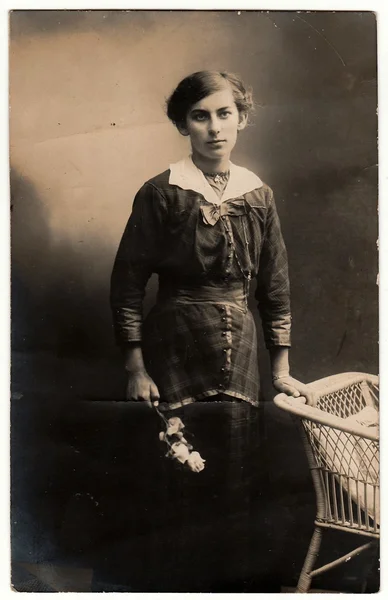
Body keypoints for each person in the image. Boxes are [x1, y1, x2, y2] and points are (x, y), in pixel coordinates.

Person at [109, 70, 311, 591]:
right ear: (184, 124)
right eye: (200, 116)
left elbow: (275, 285)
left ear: (241, 119)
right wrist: (135, 367)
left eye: (224, 115)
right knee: (176, 469)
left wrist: (282, 368)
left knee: (235, 475)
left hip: (240, 352)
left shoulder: (258, 196)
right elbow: (128, 281)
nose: (214, 128)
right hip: (172, 345)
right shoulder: (161, 193)